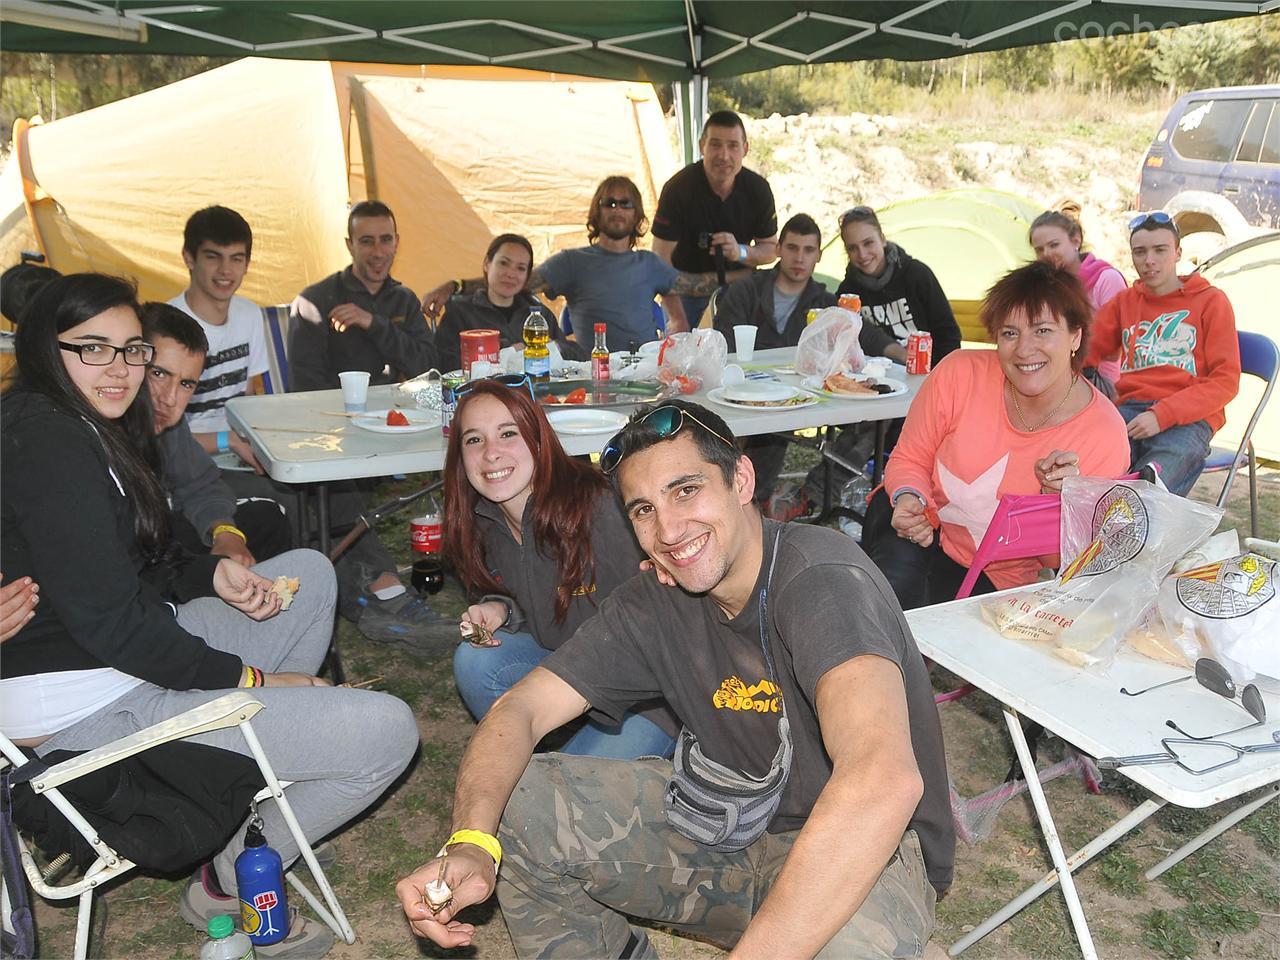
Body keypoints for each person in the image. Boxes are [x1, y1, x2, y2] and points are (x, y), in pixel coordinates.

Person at [396, 398, 954, 959]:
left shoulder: (821, 580)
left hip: (859, 860)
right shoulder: (657, 599)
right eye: (643, 509)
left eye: (686, 490)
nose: (668, 529)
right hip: (727, 829)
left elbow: (881, 782)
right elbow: (520, 710)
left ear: (740, 478)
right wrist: (469, 842)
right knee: (517, 801)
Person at [1, 273, 417, 958]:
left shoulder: (83, 425)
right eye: (93, 348)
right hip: (90, 711)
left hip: (120, 658)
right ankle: (230, 876)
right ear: (49, 347)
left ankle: (249, 792)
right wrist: (251, 680)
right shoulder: (49, 444)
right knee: (388, 732)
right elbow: (118, 627)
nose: (122, 371)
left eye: (130, 349)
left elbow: (147, 561)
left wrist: (211, 571)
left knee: (308, 575)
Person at [867, 261, 1131, 609]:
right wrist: (907, 497)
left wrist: (1059, 500)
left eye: (1042, 331)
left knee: (926, 640)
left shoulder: (1102, 434)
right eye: (1010, 333)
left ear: (1075, 336)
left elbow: (1060, 561)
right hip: (912, 528)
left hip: (992, 574)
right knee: (882, 611)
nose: (1024, 349)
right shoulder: (960, 373)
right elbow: (909, 458)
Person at [444, 377, 675, 759]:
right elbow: (529, 590)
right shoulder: (480, 520)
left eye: (507, 434)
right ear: (459, 455)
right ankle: (556, 746)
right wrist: (500, 608)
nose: (491, 454)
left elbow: (655, 628)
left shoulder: (599, 508)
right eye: (474, 440)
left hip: (649, 695)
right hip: (572, 669)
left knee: (567, 797)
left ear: (538, 440)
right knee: (475, 660)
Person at [713, 213, 902, 502]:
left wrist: (900, 352)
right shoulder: (746, 290)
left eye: (808, 250)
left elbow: (865, 334)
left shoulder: (825, 302)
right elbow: (723, 345)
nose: (799, 258)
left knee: (875, 412)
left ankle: (814, 497)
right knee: (761, 446)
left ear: (819, 256)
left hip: (805, 396)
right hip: (750, 396)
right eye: (792, 248)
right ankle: (743, 497)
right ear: (778, 250)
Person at [422, 177, 720, 350]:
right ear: (596, 211)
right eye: (609, 203)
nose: (617, 209)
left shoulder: (650, 263)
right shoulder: (571, 262)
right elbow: (512, 280)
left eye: (625, 203)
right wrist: (455, 286)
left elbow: (695, 287)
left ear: (637, 214)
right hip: (592, 372)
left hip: (644, 369)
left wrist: (748, 269)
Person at [1084, 212, 1241, 497]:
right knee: (1091, 463)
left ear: (1178, 252)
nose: (1149, 260)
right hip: (1130, 410)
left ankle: (1140, 521)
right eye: (1140, 252)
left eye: (1160, 250)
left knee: (1154, 480)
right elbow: (1087, 352)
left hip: (1189, 414)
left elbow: (1225, 381)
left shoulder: (1211, 301)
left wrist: (1163, 414)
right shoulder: (1125, 302)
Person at [142, 302, 293, 565]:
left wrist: (225, 532)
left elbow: (199, 484)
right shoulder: (92, 431)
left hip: (164, 535)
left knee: (268, 519)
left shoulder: (169, 424)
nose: (168, 398)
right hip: (125, 560)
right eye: (158, 374)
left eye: (185, 384)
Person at [288, 200, 438, 390]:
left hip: (399, 413)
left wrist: (374, 324)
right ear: (350, 246)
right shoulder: (314, 302)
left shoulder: (404, 300)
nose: (378, 252)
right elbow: (305, 386)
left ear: (396, 242)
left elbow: (429, 369)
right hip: (337, 415)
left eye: (385, 240)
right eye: (367, 242)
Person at [652, 110, 778, 328]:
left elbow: (771, 250)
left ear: (745, 149)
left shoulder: (758, 189)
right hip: (685, 295)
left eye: (732, 146)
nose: (724, 155)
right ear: (702, 146)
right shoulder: (678, 189)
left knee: (743, 356)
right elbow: (660, 261)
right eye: (715, 145)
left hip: (741, 292)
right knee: (684, 358)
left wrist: (739, 251)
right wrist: (677, 317)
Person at [168, 205, 269, 474]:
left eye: (236, 259)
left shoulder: (249, 314)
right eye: (214, 257)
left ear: (247, 264)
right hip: (185, 463)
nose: (226, 270)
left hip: (239, 455)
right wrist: (230, 442)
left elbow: (247, 396)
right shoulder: (167, 325)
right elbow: (157, 435)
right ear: (189, 258)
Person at [433, 234, 584, 373]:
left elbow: (579, 356)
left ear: (527, 276)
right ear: (487, 264)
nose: (511, 274)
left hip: (535, 397)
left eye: (520, 268)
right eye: (504, 263)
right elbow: (443, 363)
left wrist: (555, 347)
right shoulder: (460, 313)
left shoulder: (539, 314)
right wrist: (505, 351)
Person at [1029, 203, 1127, 386]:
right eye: (1039, 250)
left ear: (1076, 241)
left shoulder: (1106, 279)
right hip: (1056, 377)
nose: (1047, 254)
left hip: (1100, 381)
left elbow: (1116, 346)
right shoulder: (1046, 285)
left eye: (1054, 245)